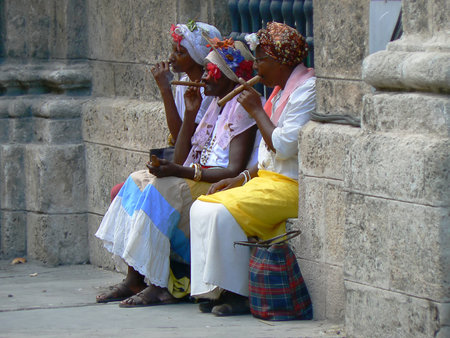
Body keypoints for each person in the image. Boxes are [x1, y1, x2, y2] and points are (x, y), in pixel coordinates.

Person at [95, 37, 260, 307]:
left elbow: (233, 169)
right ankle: (135, 278)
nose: (204, 76)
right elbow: (183, 156)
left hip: (218, 183)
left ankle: (161, 285)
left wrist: (182, 172)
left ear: (228, 75)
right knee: (137, 181)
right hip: (195, 175)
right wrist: (191, 114)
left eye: (210, 71)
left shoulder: (240, 107)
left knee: (162, 189)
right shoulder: (215, 104)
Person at [189, 22, 316, 316]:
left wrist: (256, 111)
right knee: (202, 206)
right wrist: (241, 178)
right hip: (267, 181)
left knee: (222, 213)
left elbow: (283, 147)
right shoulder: (279, 89)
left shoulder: (306, 90)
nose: (257, 65)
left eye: (261, 59)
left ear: (281, 61)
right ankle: (213, 289)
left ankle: (239, 294)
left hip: (290, 186)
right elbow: (266, 159)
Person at [110, 21, 222, 201]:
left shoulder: (207, 90)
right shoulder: (183, 83)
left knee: (131, 194)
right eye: (173, 51)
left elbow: (182, 138)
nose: (171, 58)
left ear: (198, 58)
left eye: (180, 53)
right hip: (182, 161)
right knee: (119, 191)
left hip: (195, 165)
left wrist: (164, 90)